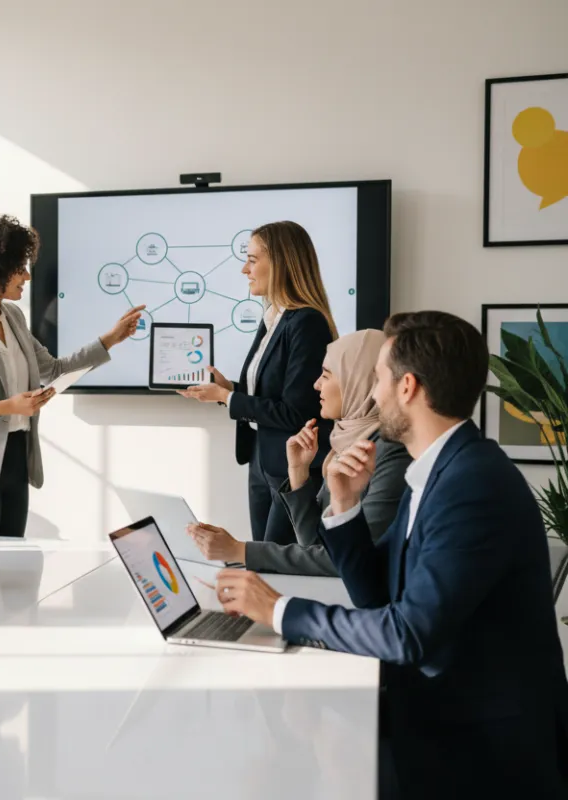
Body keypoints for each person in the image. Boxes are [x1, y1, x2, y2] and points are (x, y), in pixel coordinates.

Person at [206, 311, 568, 797]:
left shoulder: (472, 485)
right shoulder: (440, 472)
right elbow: (378, 593)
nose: (373, 395)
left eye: (378, 379)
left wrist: (277, 609)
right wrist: (344, 504)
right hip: (440, 719)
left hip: (481, 754)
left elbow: (408, 634)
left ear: (408, 388)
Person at [0, 214, 144, 537]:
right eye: (19, 267)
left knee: (11, 572)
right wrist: (4, 407)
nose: (27, 276)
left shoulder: (13, 316)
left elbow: (53, 370)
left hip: (14, 460)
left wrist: (111, 339)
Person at [187, 329, 411, 576]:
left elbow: (350, 559)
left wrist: (239, 551)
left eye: (326, 375)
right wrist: (298, 473)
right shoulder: (346, 443)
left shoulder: (391, 454)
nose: (316, 385)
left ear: (356, 381)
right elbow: (314, 544)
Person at [181, 221, 337, 546]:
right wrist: (232, 389)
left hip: (289, 467)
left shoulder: (306, 322)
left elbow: (296, 413)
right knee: (264, 562)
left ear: (280, 263)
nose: (244, 269)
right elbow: (276, 391)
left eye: (252, 259)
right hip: (261, 459)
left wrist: (227, 398)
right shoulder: (274, 318)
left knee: (276, 565)